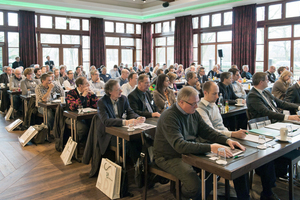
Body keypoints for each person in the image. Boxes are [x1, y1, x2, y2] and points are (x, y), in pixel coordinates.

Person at [153, 86, 245, 200]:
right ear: (181, 102)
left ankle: (201, 195)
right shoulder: (169, 116)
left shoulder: (193, 112)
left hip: (189, 151)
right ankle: (183, 195)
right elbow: (179, 146)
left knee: (216, 169)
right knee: (194, 186)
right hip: (169, 156)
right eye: (193, 103)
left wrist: (227, 140)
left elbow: (208, 131)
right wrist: (211, 147)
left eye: (197, 102)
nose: (196, 106)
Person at [97, 79, 145, 162]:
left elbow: (130, 112)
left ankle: (142, 164)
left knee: (140, 139)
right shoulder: (102, 102)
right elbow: (106, 121)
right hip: (109, 132)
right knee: (129, 143)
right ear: (110, 92)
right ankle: (136, 166)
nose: (121, 91)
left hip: (122, 129)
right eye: (118, 89)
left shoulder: (123, 98)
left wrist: (138, 118)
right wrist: (125, 122)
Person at [66, 77, 99, 142]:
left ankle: (92, 145)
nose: (89, 85)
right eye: (86, 84)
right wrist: (83, 96)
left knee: (98, 125)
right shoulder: (71, 93)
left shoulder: (88, 93)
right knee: (83, 128)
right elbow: (72, 107)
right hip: (72, 117)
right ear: (80, 85)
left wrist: (93, 95)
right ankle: (82, 144)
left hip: (87, 116)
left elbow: (97, 106)